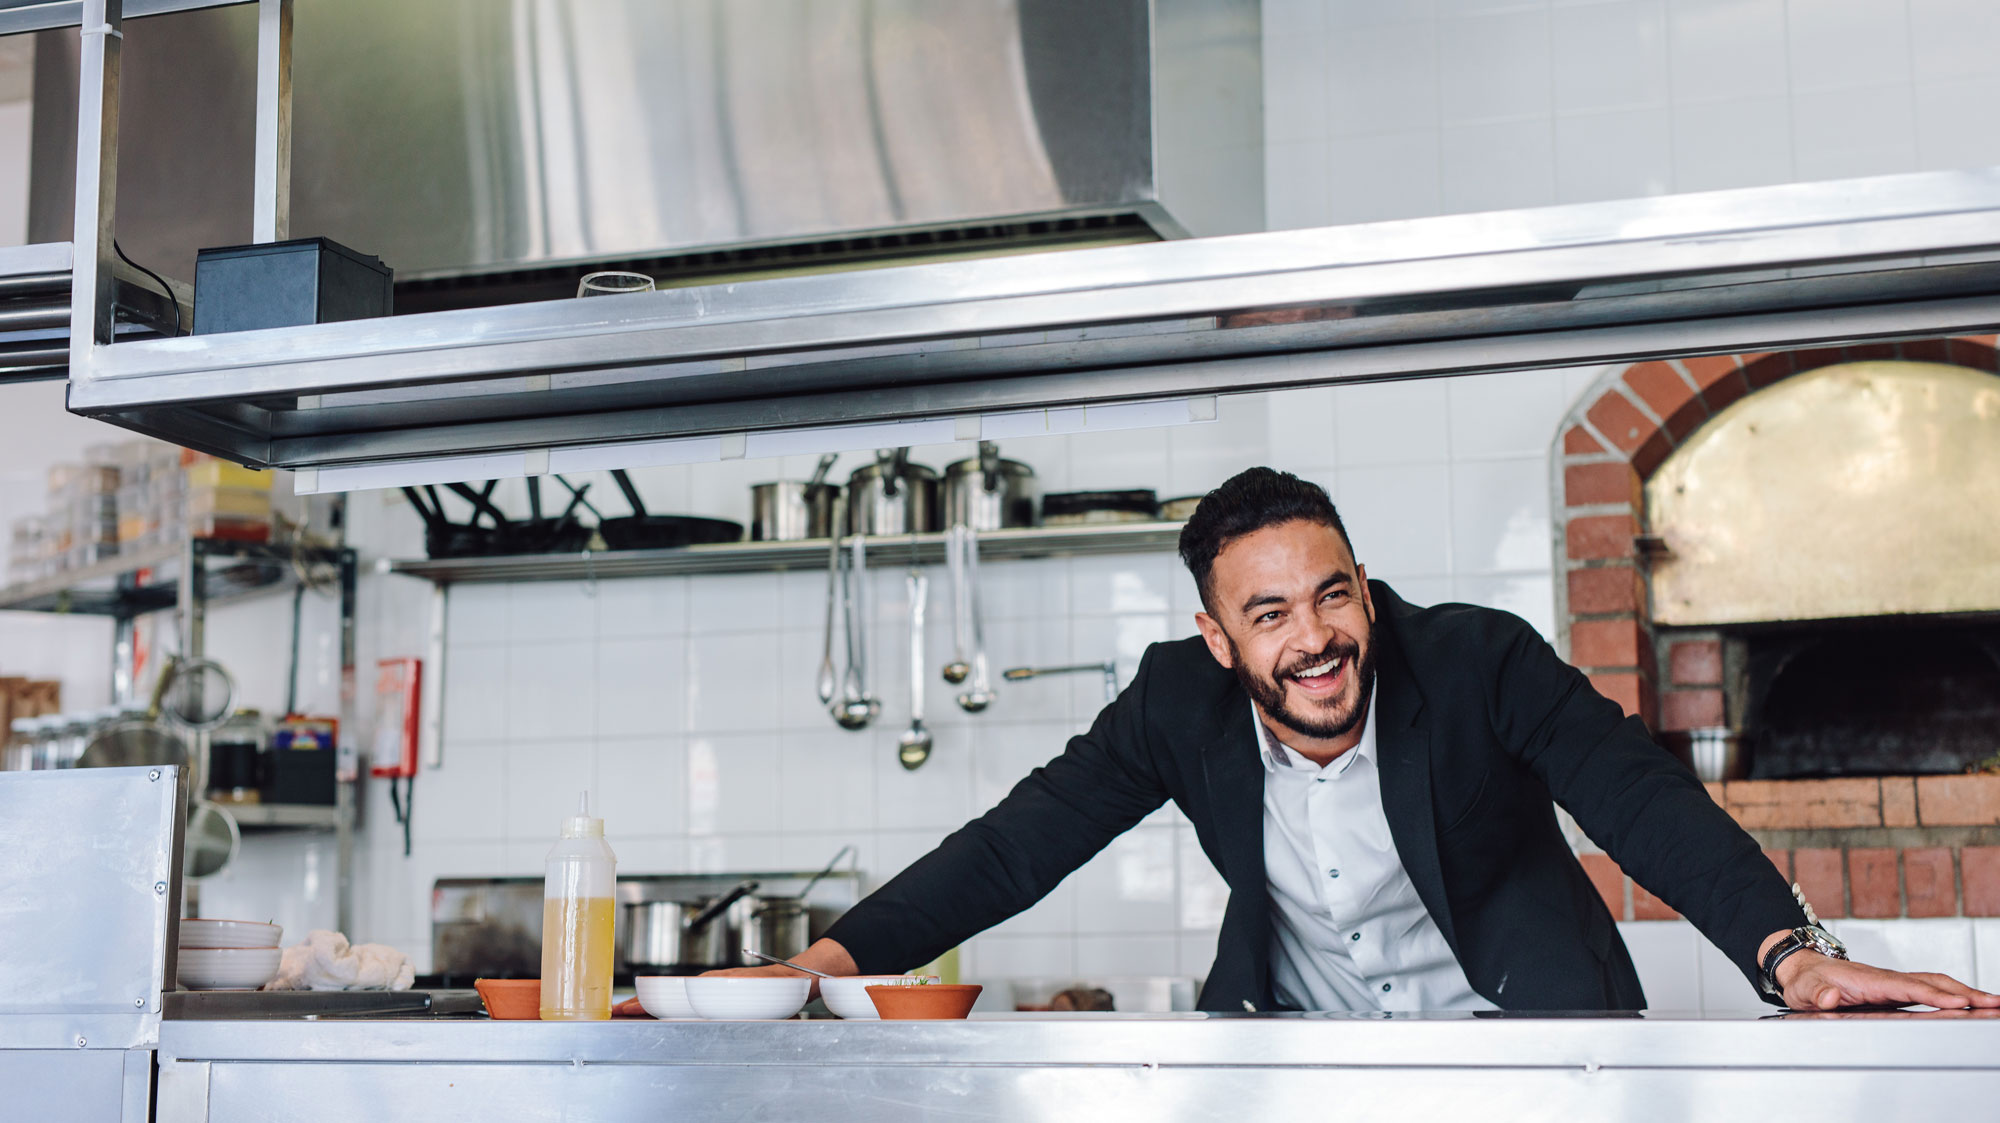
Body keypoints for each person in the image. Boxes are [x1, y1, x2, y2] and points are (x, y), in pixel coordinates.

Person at [725, 467, 2000, 1013]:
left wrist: (1791, 955)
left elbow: (1635, 799)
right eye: (1269, 614)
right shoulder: (1172, 705)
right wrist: (822, 964)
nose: (1316, 638)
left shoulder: (1475, 658)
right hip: (1302, 1061)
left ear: (1366, 588)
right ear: (1218, 639)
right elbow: (1014, 849)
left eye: (1333, 594)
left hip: (1525, 1050)